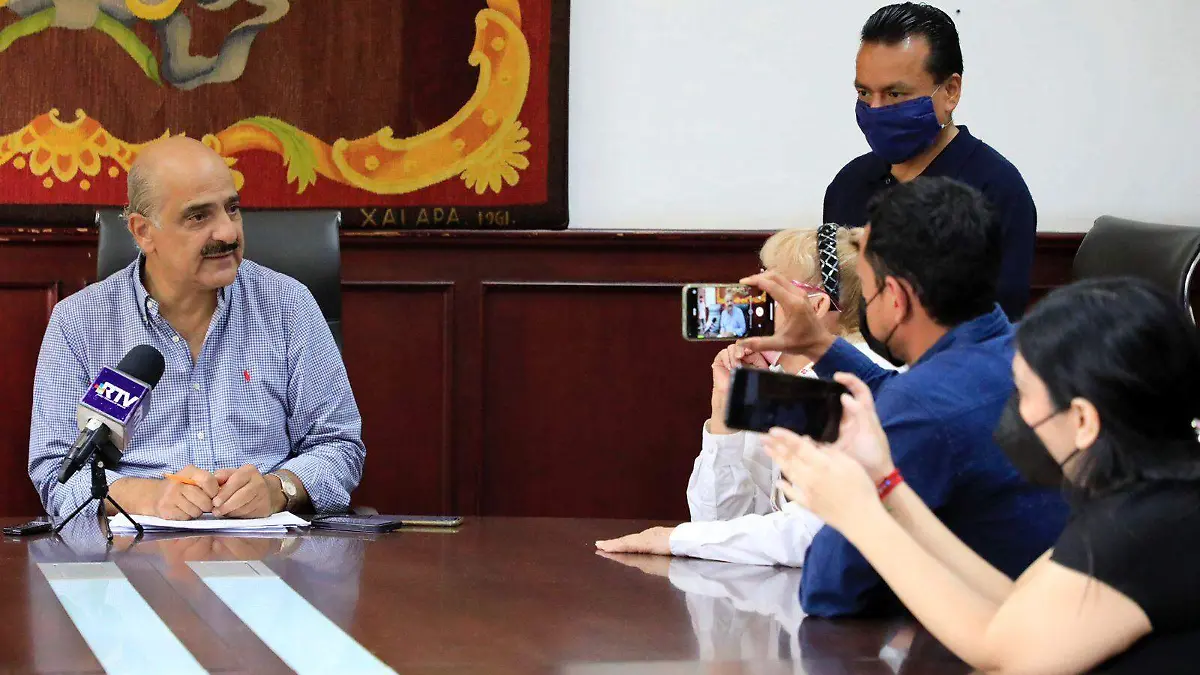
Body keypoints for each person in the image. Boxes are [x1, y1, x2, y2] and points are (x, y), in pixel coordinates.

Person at [766, 278, 1200, 673]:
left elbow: (1002, 650)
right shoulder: (1145, 495)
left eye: (1023, 392)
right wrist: (886, 483)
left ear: (1083, 420)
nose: (1015, 411)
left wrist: (860, 516)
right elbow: (1014, 603)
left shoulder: (1145, 529)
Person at [738, 176, 1064, 617]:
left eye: (866, 290)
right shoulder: (1033, 346)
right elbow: (912, 393)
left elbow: (829, 589)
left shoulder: (919, 410)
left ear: (895, 298)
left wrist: (838, 494)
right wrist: (821, 346)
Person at [28, 136, 365, 521]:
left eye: (232, 209)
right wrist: (148, 496)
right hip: (136, 547)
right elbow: (55, 472)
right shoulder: (79, 322)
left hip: (269, 543)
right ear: (143, 232)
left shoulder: (288, 305)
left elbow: (339, 446)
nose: (228, 233)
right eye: (198, 217)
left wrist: (279, 489)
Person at [596, 225, 893, 565]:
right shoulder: (778, 377)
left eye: (771, 285)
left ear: (816, 305)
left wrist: (675, 538)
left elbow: (811, 536)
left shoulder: (857, 385)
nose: (750, 295)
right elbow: (718, 523)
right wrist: (725, 417)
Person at [825, 3, 1036, 324]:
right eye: (864, 93)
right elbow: (834, 308)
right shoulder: (848, 185)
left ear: (950, 91)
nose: (875, 109)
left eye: (895, 94)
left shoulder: (996, 191)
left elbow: (997, 330)